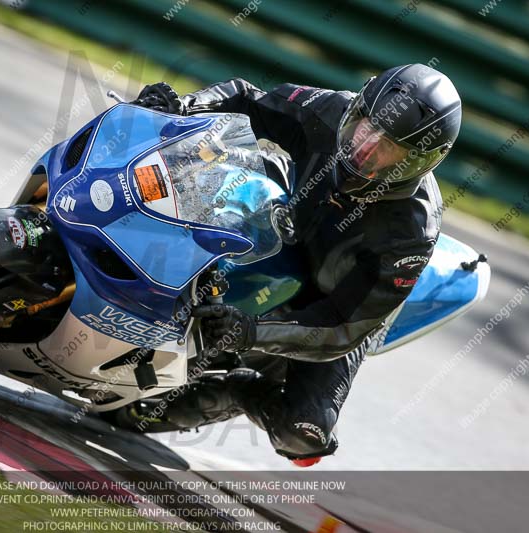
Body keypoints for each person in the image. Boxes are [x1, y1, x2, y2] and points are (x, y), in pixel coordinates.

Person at [130, 64, 460, 466]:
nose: (366, 149)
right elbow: (246, 98)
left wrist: (250, 332)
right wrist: (182, 106)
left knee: (305, 434)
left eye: (389, 149)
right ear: (357, 108)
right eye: (365, 128)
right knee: (195, 165)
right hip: (282, 213)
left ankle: (234, 391)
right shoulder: (331, 111)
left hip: (332, 302)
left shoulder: (410, 232)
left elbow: (344, 325)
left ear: (421, 163)